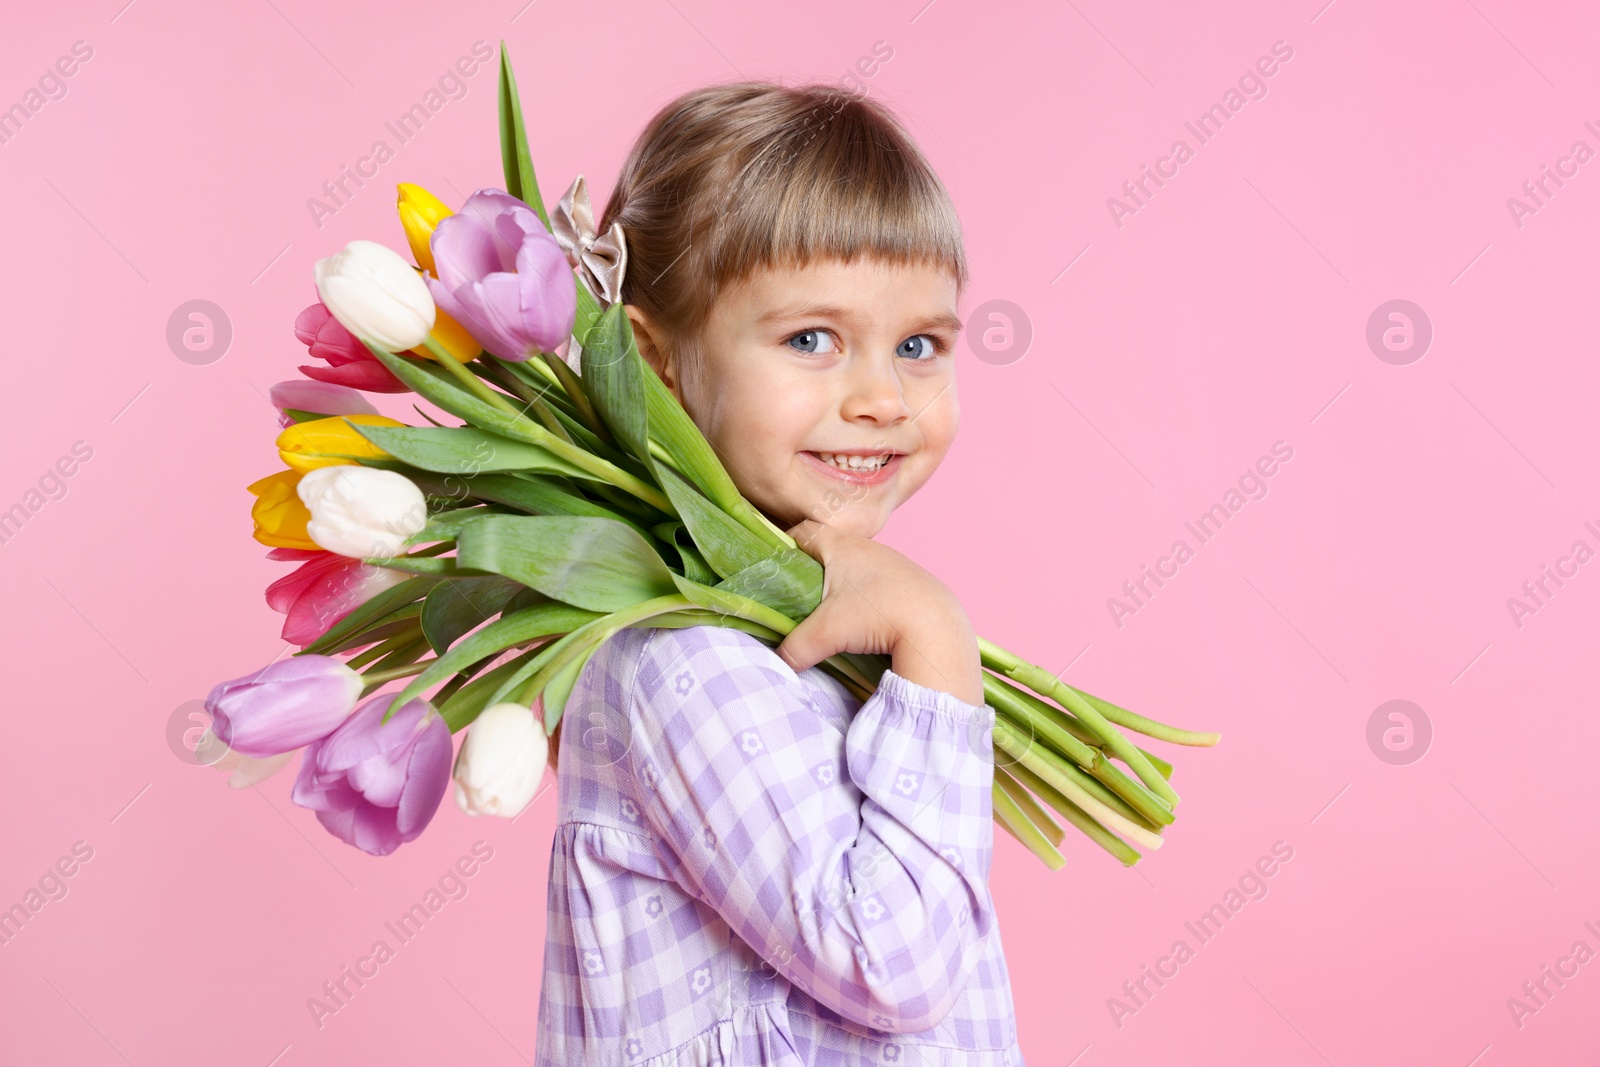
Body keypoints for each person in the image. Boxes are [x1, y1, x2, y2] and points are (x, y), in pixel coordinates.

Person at [534, 80, 1025, 1066]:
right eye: (812, 339)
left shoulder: (792, 620)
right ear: (656, 363)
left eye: (919, 345)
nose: (882, 396)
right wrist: (935, 634)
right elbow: (891, 961)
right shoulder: (685, 657)